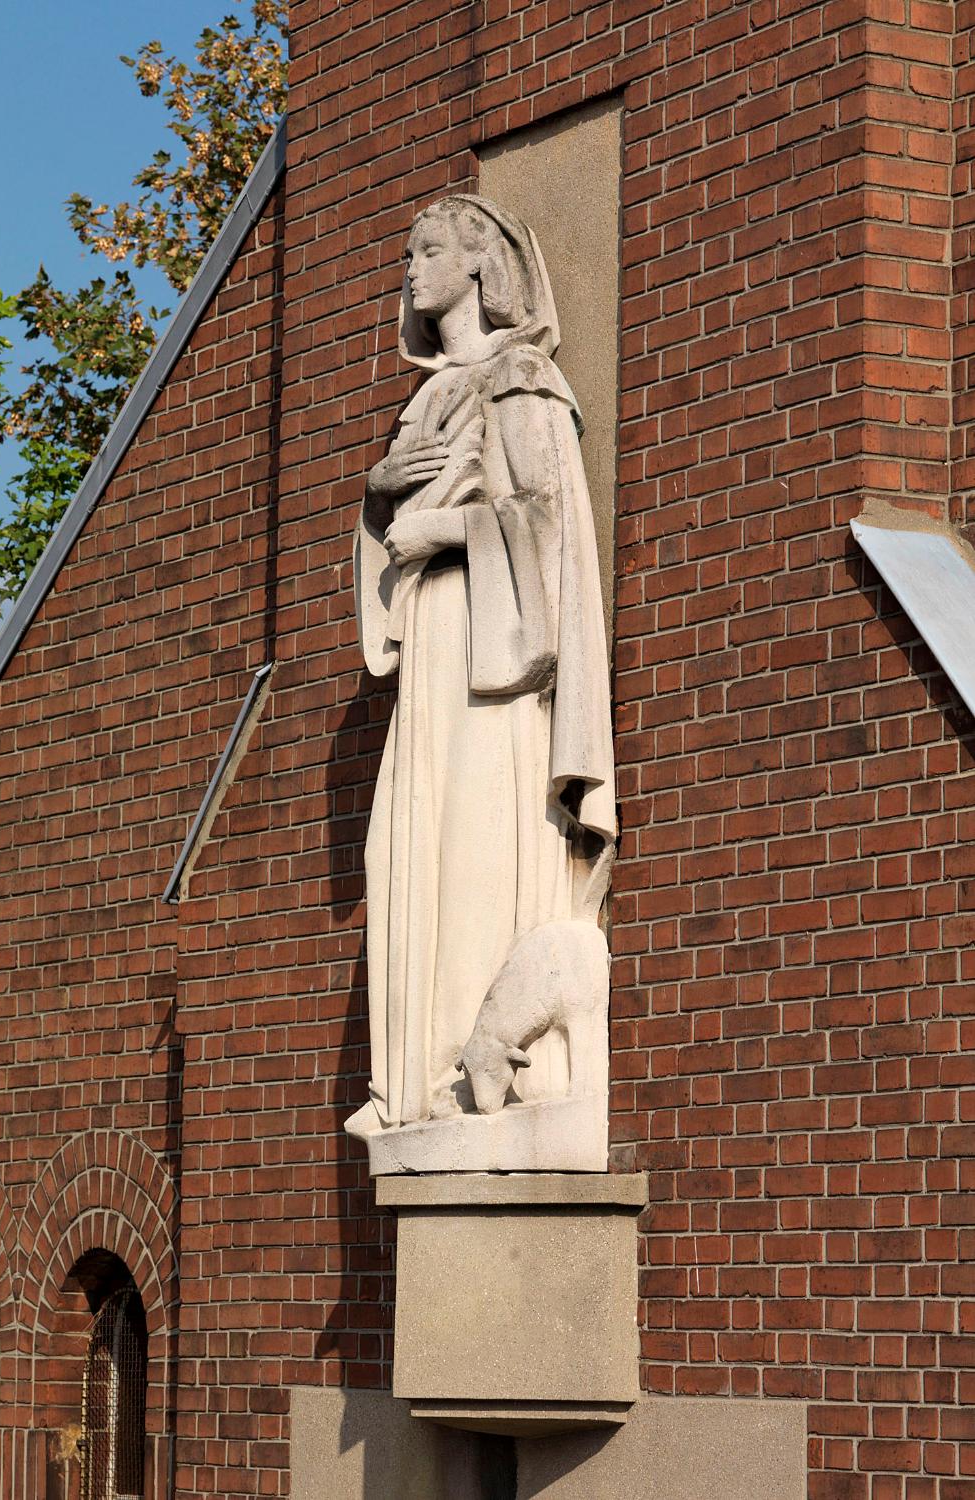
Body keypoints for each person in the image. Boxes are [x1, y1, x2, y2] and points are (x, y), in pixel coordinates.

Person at [346, 194, 614, 1140]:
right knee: (406, 843)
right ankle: (413, 1078)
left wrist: (439, 529)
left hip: (488, 654)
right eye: (409, 251)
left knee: (472, 839)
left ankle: (482, 1061)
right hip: (431, 654)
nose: (411, 269)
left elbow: (547, 527)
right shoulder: (429, 399)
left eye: (428, 250)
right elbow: (392, 537)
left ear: (478, 266)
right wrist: (382, 500)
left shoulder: (520, 378)